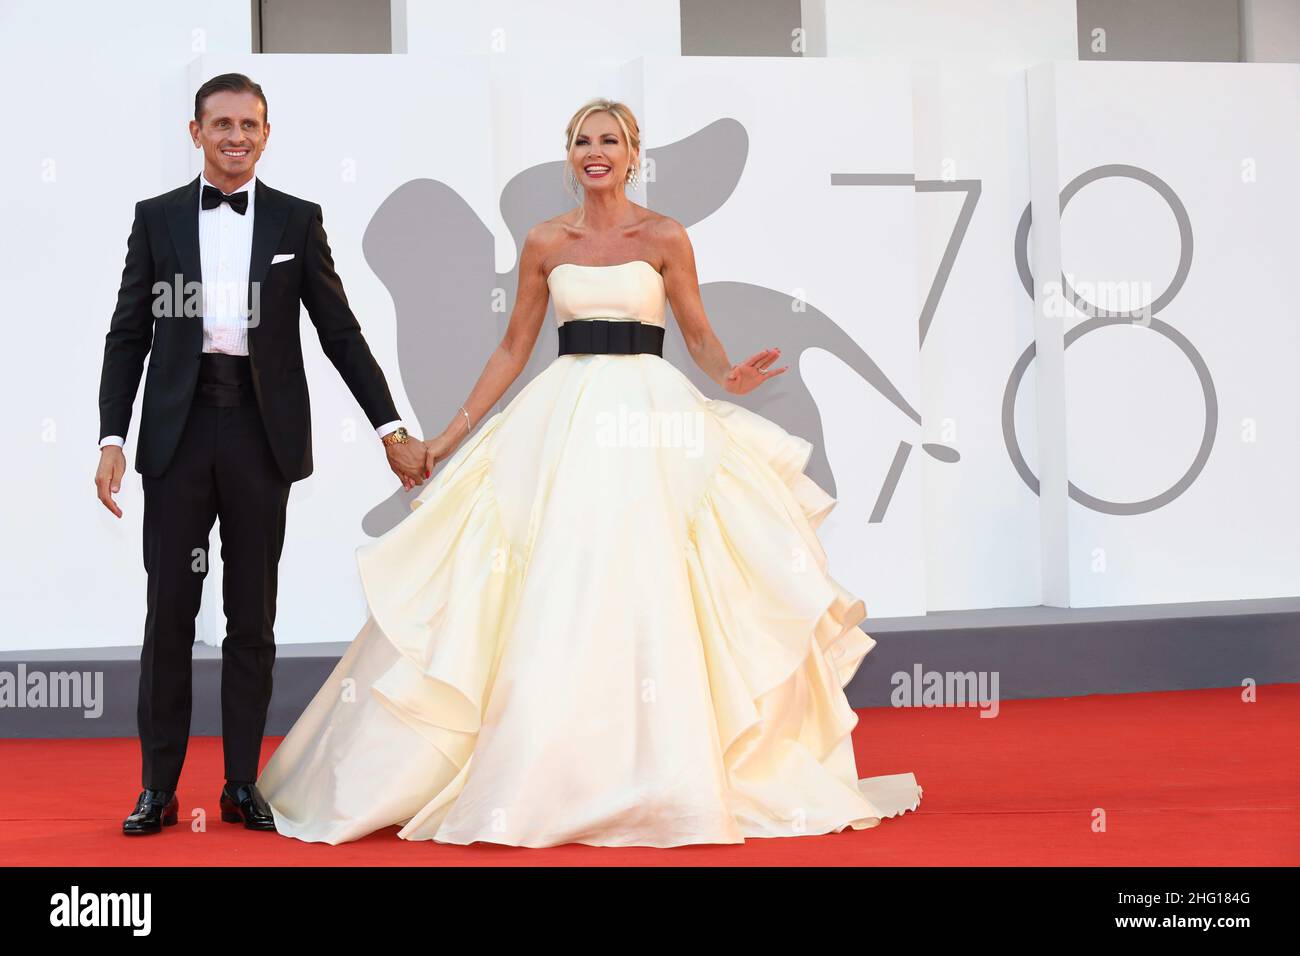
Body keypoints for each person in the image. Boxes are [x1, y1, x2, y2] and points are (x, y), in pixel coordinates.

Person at [256, 98, 922, 847]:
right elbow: (512, 350)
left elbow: (697, 335)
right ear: (568, 155)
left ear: (635, 153)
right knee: (547, 579)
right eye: (582, 141)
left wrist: (730, 375)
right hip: (563, 417)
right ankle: (544, 767)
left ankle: (666, 768)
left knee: (660, 578)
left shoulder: (666, 235)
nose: (595, 152)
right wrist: (445, 438)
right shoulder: (546, 240)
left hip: (652, 413)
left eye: (610, 141)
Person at [95, 73, 430, 835]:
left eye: (249, 124)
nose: (235, 136)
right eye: (221, 124)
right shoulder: (157, 220)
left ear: (266, 134)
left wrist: (391, 429)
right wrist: (112, 437)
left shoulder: (295, 219)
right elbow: (128, 334)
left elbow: (339, 332)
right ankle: (157, 788)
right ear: (195, 132)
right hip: (176, 439)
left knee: (253, 615)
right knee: (169, 616)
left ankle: (243, 783)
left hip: (259, 435)